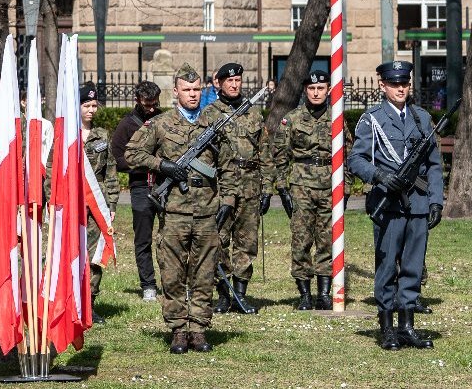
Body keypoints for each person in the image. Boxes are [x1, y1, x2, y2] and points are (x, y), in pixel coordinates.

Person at [124, 66, 235, 355]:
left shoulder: (214, 125)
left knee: (204, 271)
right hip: (174, 211)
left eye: (196, 89)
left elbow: (229, 165)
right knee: (172, 273)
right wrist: (163, 166)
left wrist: (228, 201)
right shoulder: (161, 124)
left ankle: (198, 329)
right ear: (176, 92)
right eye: (187, 90)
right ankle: (178, 329)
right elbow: (131, 153)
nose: (192, 95)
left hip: (207, 210)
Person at [347, 60, 443, 350]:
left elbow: (434, 164)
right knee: (388, 265)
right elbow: (357, 159)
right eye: (394, 83)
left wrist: (436, 200)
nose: (401, 88)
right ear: (382, 85)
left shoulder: (422, 118)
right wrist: (379, 176)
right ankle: (387, 327)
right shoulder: (372, 119)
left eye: (404, 83)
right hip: (388, 204)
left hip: (417, 203)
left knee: (413, 265)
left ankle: (407, 327)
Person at [203, 63, 267, 314]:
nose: (234, 84)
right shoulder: (210, 113)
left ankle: (241, 293)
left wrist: (267, 189)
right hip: (221, 186)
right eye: (229, 81)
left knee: (247, 240)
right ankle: (223, 293)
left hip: (250, 184)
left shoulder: (252, 113)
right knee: (218, 239)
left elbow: (265, 152)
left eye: (238, 80)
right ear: (218, 83)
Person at [272, 68, 333, 310]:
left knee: (327, 241)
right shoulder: (292, 118)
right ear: (305, 90)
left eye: (320, 88)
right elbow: (280, 157)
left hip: (329, 187)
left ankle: (324, 294)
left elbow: (347, 154)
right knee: (301, 241)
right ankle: (305, 294)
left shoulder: (336, 118)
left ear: (328, 89)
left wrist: (345, 189)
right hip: (301, 187)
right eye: (311, 88)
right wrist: (283, 189)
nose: (316, 93)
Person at [109, 80, 161, 302]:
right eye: (147, 104)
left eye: (155, 103)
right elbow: (117, 160)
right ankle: (148, 285)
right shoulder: (127, 125)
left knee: (172, 237)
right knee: (143, 239)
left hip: (164, 185)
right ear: (138, 100)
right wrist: (143, 163)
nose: (151, 108)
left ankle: (173, 282)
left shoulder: (163, 119)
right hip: (140, 187)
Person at [80, 81, 116, 308]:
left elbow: (110, 172)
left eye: (94, 105)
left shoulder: (102, 136)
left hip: (97, 204)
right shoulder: (66, 135)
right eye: (87, 105)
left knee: (95, 252)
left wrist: (112, 205)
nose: (92, 110)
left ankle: (90, 302)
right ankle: (72, 300)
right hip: (73, 203)